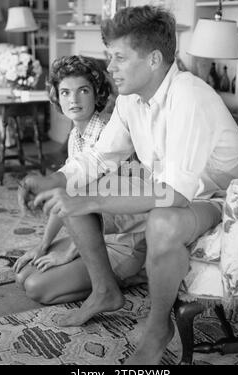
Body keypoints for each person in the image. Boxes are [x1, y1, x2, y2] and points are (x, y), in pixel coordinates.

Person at [18, 6, 238, 365]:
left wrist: (91, 200)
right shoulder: (129, 100)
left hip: (217, 201)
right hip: (169, 192)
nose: (109, 68)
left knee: (162, 219)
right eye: (110, 57)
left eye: (119, 58)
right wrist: (50, 180)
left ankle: (159, 327)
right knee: (77, 190)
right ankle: (104, 290)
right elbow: (97, 159)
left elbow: (174, 195)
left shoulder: (190, 96)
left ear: (154, 59)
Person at [14, 55, 147, 306]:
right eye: (65, 92)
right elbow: (66, 194)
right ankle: (103, 276)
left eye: (82, 90)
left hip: (124, 241)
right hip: (96, 236)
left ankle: (131, 276)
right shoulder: (76, 136)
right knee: (23, 274)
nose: (73, 100)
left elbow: (102, 210)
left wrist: (67, 254)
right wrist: (43, 245)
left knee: (36, 287)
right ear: (57, 97)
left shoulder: (111, 135)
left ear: (96, 93)